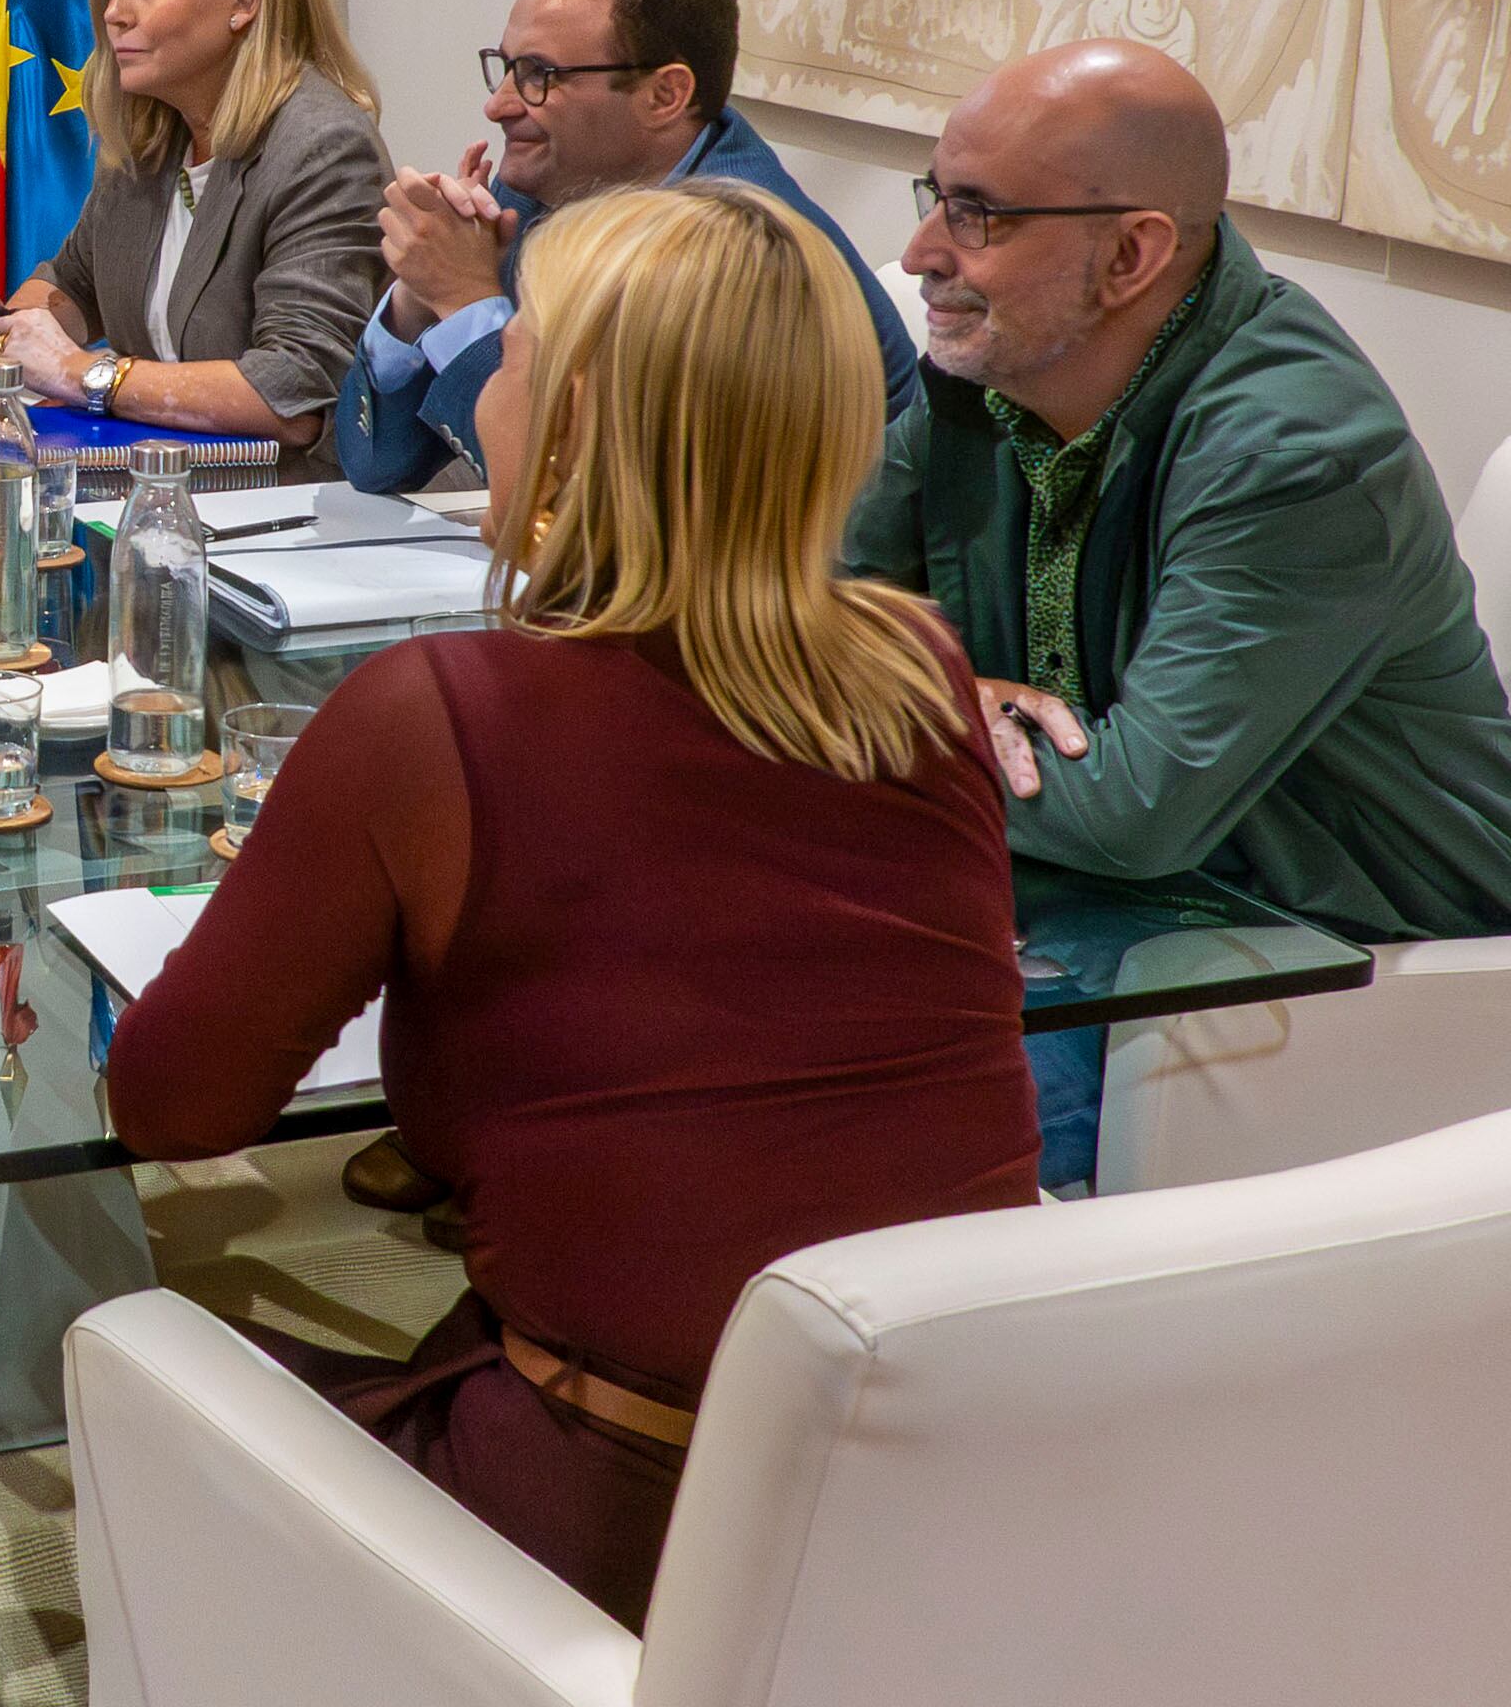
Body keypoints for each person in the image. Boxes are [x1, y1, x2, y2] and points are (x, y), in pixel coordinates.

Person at [108, 180, 1041, 1629]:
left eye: (520, 337)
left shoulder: (434, 718)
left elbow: (170, 1106)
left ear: (574, 416)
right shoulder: (917, 667)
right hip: (954, 1494)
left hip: (620, 1528)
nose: (493, 369)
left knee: (128, 1346)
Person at [844, 39, 1511, 1190]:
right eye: (936, 197)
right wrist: (935, 693)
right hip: (1084, 904)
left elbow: (1133, 811)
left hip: (1335, 963)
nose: (920, 252)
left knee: (881, 1123)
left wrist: (900, 701)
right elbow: (817, 618)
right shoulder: (987, 376)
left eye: (975, 215)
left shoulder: (1296, 454)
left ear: (1131, 254)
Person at [336, 0, 917, 494]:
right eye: (508, 67)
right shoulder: (547, 187)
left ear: (665, 95)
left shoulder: (751, 253)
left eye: (539, 74)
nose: (499, 105)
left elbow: (592, 506)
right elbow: (375, 464)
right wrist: (419, 299)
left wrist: (465, 301)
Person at [0, 0, 386, 464]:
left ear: (244, 0)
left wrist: (83, 374)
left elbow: (293, 393)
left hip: (281, 518)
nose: (115, 11)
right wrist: (1, 330)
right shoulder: (150, 138)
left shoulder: (323, 148)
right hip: (157, 497)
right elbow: (72, 284)